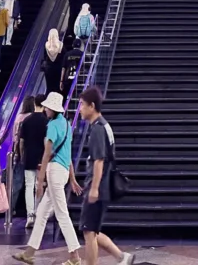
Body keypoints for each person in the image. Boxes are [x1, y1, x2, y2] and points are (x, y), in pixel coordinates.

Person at [12, 93, 82, 265]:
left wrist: (40, 180)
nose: (46, 110)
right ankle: (29, 253)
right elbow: (68, 153)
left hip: (54, 172)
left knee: (62, 214)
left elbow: (46, 155)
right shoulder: (66, 124)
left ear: (52, 108)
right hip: (64, 171)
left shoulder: (51, 126)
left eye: (48, 107)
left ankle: (75, 256)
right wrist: (72, 178)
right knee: (42, 213)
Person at [77, 87, 133, 265]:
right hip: (102, 186)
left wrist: (94, 189)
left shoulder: (97, 129)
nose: (79, 109)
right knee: (92, 230)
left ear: (92, 106)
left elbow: (99, 161)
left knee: (88, 232)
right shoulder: (103, 125)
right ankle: (122, 257)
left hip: (98, 187)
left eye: (82, 105)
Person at [18, 96, 48, 229]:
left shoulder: (26, 120)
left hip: (29, 156)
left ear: (35, 103)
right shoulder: (46, 121)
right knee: (39, 185)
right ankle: (38, 213)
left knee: (29, 186)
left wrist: (21, 155)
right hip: (42, 158)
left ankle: (30, 215)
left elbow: (21, 141)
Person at [42, 29, 64, 96]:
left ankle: (47, 103)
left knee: (49, 88)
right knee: (57, 88)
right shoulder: (61, 45)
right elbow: (64, 58)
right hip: (58, 69)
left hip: (48, 69)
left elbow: (45, 57)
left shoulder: (46, 45)